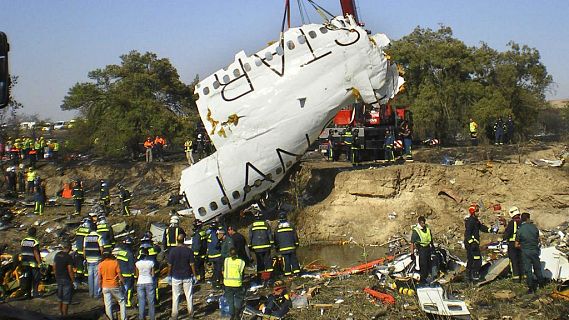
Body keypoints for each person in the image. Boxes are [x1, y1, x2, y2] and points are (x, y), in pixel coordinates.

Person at [167, 233, 197, 320]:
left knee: (175, 296)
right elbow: (192, 264)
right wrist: (195, 275)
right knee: (189, 295)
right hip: (187, 276)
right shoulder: (189, 251)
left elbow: (169, 265)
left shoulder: (172, 251)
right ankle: (191, 314)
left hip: (176, 276)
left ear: (177, 240)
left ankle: (174, 315)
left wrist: (169, 275)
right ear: (184, 240)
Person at [516, 212, 545, 294]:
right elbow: (538, 240)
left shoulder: (520, 229)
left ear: (522, 219)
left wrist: (523, 247)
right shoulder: (534, 227)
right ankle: (541, 284)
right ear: (528, 218)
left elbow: (516, 244)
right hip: (535, 250)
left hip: (525, 251)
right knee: (537, 268)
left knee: (528, 270)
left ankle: (531, 288)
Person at [464, 203, 491, 282]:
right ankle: (473, 276)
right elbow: (467, 234)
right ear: (473, 212)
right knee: (476, 260)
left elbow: (481, 227)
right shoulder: (470, 221)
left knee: (473, 260)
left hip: (474, 244)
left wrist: (490, 230)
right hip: (471, 245)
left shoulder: (475, 221)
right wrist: (472, 243)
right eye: (477, 211)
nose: (478, 213)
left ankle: (469, 276)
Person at [99, 252, 127, 320]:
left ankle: (110, 318)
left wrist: (100, 287)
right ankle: (123, 318)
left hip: (105, 286)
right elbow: (119, 274)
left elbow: (100, 278)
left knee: (108, 304)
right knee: (122, 301)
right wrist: (124, 283)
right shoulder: (115, 262)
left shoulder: (100, 264)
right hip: (114, 285)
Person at [249, 213, 274, 281]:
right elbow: (270, 235)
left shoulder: (252, 226)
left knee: (260, 262)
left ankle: (260, 277)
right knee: (268, 261)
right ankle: (270, 276)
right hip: (266, 246)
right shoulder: (266, 224)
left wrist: (250, 246)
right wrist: (272, 244)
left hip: (257, 248)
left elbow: (250, 237)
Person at [137, 231, 161, 303]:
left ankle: (141, 302)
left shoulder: (140, 250)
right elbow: (158, 250)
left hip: (143, 271)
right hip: (153, 270)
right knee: (154, 286)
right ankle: (155, 301)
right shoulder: (153, 248)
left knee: (142, 288)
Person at [223, 247, 246, 320]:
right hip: (237, 283)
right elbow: (241, 272)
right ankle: (237, 314)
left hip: (227, 283)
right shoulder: (241, 262)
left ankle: (232, 315)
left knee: (230, 300)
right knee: (238, 299)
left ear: (229, 253)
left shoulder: (226, 260)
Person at [410, 216, 434, 284]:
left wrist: (433, 246)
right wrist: (412, 254)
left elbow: (430, 237)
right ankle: (422, 280)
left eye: (424, 223)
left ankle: (428, 278)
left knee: (429, 263)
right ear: (419, 223)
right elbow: (412, 243)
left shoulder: (427, 228)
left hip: (428, 248)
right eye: (422, 223)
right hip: (421, 249)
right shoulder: (416, 231)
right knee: (423, 265)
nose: (423, 225)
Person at [54, 242, 75, 316]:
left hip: (59, 278)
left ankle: (60, 313)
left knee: (60, 297)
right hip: (66, 279)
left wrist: (56, 275)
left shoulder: (57, 254)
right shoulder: (68, 257)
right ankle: (65, 315)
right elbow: (70, 270)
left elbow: (54, 266)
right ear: (69, 248)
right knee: (66, 299)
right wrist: (73, 281)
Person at [20, 227, 42, 298]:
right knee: (36, 278)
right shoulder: (35, 241)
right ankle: (35, 293)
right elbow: (36, 252)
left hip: (24, 262)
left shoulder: (23, 240)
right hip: (33, 263)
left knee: (27, 279)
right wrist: (40, 263)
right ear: (34, 233)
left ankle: (28, 294)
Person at [114, 237, 136, 308]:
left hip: (120, 273)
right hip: (128, 274)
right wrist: (134, 275)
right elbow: (132, 265)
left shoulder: (120, 253)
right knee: (129, 288)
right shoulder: (130, 254)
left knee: (122, 288)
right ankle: (128, 302)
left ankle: (121, 301)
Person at [83, 223, 103, 298]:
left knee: (90, 276)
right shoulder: (99, 237)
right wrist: (102, 256)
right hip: (97, 259)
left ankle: (91, 293)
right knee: (96, 277)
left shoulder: (86, 237)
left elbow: (84, 249)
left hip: (89, 259)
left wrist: (85, 258)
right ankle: (96, 294)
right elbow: (101, 248)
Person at [503, 206, 523, 281]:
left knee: (514, 260)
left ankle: (516, 277)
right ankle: (524, 276)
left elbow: (507, 233)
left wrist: (503, 237)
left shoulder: (512, 223)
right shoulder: (522, 222)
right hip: (521, 244)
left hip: (512, 244)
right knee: (521, 260)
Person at [136, 248, 156, 320]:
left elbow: (137, 275)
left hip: (140, 282)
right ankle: (152, 318)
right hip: (149, 282)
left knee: (141, 302)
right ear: (147, 254)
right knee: (151, 302)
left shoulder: (137, 263)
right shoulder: (151, 263)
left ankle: (141, 318)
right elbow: (153, 274)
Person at [74, 218, 91, 285]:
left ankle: (78, 280)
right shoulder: (89, 230)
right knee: (86, 266)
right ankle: (86, 280)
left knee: (79, 267)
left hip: (78, 251)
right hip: (85, 251)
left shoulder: (79, 230)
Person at [207, 224, 223, 288]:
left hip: (211, 255)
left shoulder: (210, 234)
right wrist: (221, 243)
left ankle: (216, 281)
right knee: (218, 269)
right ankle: (216, 282)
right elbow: (216, 244)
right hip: (216, 255)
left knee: (215, 269)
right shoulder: (213, 234)